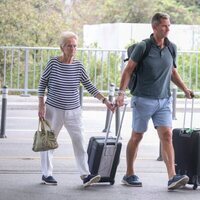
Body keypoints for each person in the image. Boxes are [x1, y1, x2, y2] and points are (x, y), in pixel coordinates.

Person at [115, 12, 194, 190]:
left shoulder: (171, 47)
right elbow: (128, 70)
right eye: (164, 26)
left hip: (164, 100)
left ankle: (172, 177)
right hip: (142, 99)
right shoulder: (143, 46)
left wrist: (185, 89)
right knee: (137, 136)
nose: (167, 29)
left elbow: (173, 72)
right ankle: (129, 174)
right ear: (155, 27)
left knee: (167, 136)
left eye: (169, 26)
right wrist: (121, 93)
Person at [38, 31, 114, 187]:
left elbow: (89, 86)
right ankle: (47, 174)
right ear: (62, 47)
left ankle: (85, 174)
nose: (72, 49)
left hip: (74, 110)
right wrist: (41, 105)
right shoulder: (53, 62)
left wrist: (105, 100)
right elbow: (42, 83)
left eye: (74, 46)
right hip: (53, 109)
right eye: (69, 46)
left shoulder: (79, 65)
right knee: (48, 142)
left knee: (79, 142)